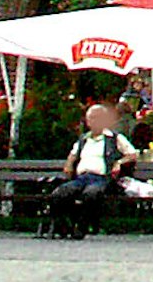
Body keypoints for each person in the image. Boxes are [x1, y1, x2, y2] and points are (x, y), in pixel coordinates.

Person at [53, 101, 135, 237]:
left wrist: (119, 162)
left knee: (91, 194)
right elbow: (72, 155)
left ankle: (82, 227)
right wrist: (68, 164)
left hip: (102, 179)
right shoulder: (83, 139)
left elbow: (132, 154)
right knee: (60, 193)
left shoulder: (114, 138)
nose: (94, 121)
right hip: (81, 178)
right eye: (91, 118)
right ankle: (65, 227)